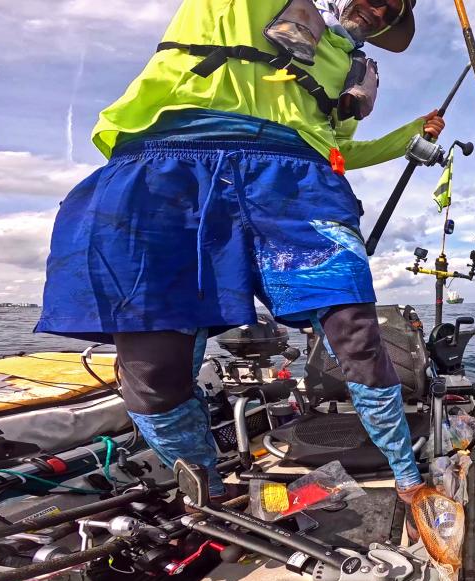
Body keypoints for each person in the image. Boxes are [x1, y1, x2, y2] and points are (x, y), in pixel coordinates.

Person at [36, 0, 445, 513]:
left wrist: (410, 135)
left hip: (296, 176)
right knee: (153, 362)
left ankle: (409, 481)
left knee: (355, 329)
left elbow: (338, 150)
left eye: (389, 9)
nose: (376, 7)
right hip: (167, 162)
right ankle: (208, 489)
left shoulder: (348, 66)